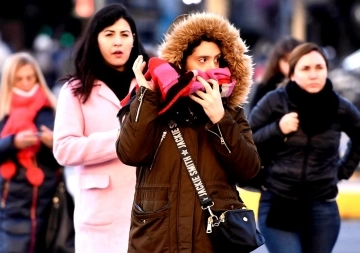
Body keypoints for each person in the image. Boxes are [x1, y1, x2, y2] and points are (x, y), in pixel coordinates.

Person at [116, 12, 261, 252]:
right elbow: (130, 153)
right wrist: (147, 96)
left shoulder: (230, 112)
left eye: (217, 60)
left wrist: (220, 120)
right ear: (179, 62)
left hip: (211, 241)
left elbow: (249, 171)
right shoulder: (151, 104)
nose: (212, 69)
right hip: (159, 240)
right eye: (202, 60)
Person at [52, 4, 149, 253]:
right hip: (100, 215)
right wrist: (120, 140)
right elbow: (63, 149)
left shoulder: (149, 86)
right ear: (95, 40)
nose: (118, 42)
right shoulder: (75, 90)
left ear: (133, 40)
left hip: (150, 210)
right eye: (109, 34)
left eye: (124, 34)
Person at [248, 42, 360, 253]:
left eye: (319, 67)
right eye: (305, 69)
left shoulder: (339, 106)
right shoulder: (274, 101)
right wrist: (277, 128)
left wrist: (343, 171)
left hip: (322, 205)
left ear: (327, 70)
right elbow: (246, 140)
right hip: (279, 202)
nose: (313, 74)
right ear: (292, 74)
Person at [0, 52, 67, 252]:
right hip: (9, 203)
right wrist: (12, 143)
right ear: (9, 81)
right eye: (19, 79)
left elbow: (66, 157)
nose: (26, 83)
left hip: (47, 200)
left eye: (31, 77)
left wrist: (53, 143)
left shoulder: (53, 109)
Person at [249, 36, 302, 112]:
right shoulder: (266, 86)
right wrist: (278, 123)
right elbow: (253, 118)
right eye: (286, 61)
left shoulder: (308, 84)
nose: (290, 66)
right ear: (277, 61)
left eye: (294, 61)